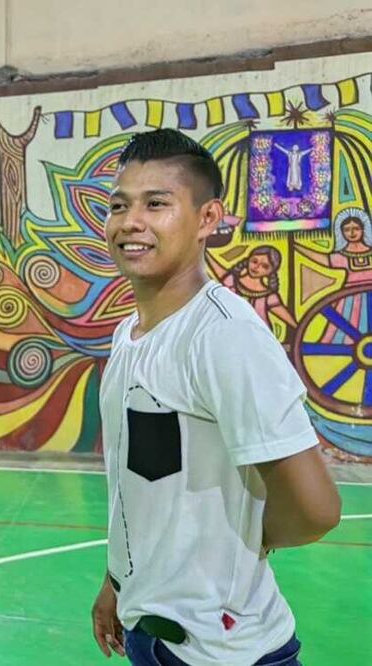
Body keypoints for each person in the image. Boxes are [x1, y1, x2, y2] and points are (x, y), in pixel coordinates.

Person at [92, 129, 340, 666]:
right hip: (151, 631)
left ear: (208, 219)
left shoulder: (223, 335)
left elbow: (316, 510)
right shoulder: (130, 335)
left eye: (156, 204)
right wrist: (118, 581)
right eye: (119, 205)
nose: (130, 222)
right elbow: (138, 489)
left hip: (222, 651)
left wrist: (249, 534)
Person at [206, 245, 297, 337]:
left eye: (264, 266)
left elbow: (287, 318)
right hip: (230, 335)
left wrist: (299, 329)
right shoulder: (231, 281)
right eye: (254, 261)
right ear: (248, 260)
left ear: (271, 271)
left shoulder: (269, 296)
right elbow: (215, 266)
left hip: (259, 338)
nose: (256, 267)